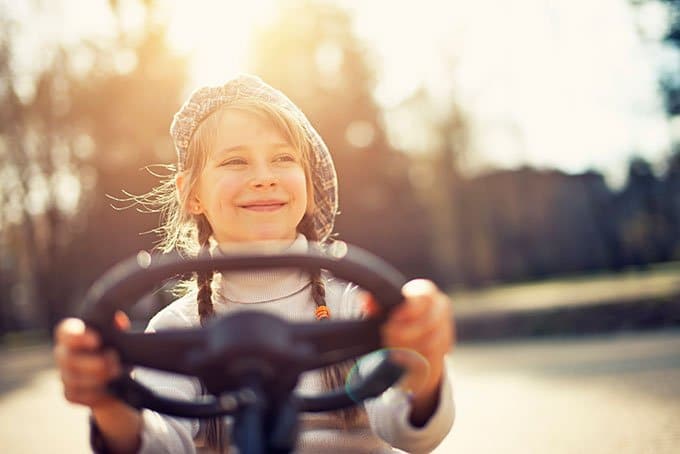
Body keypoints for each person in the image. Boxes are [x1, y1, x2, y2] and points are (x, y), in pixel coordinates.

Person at [54, 74, 455, 453]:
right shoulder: (175, 329)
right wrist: (109, 400)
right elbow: (158, 444)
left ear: (309, 185)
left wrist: (423, 362)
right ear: (191, 194)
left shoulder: (355, 307)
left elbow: (408, 431)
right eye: (235, 162)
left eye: (283, 158)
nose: (264, 177)